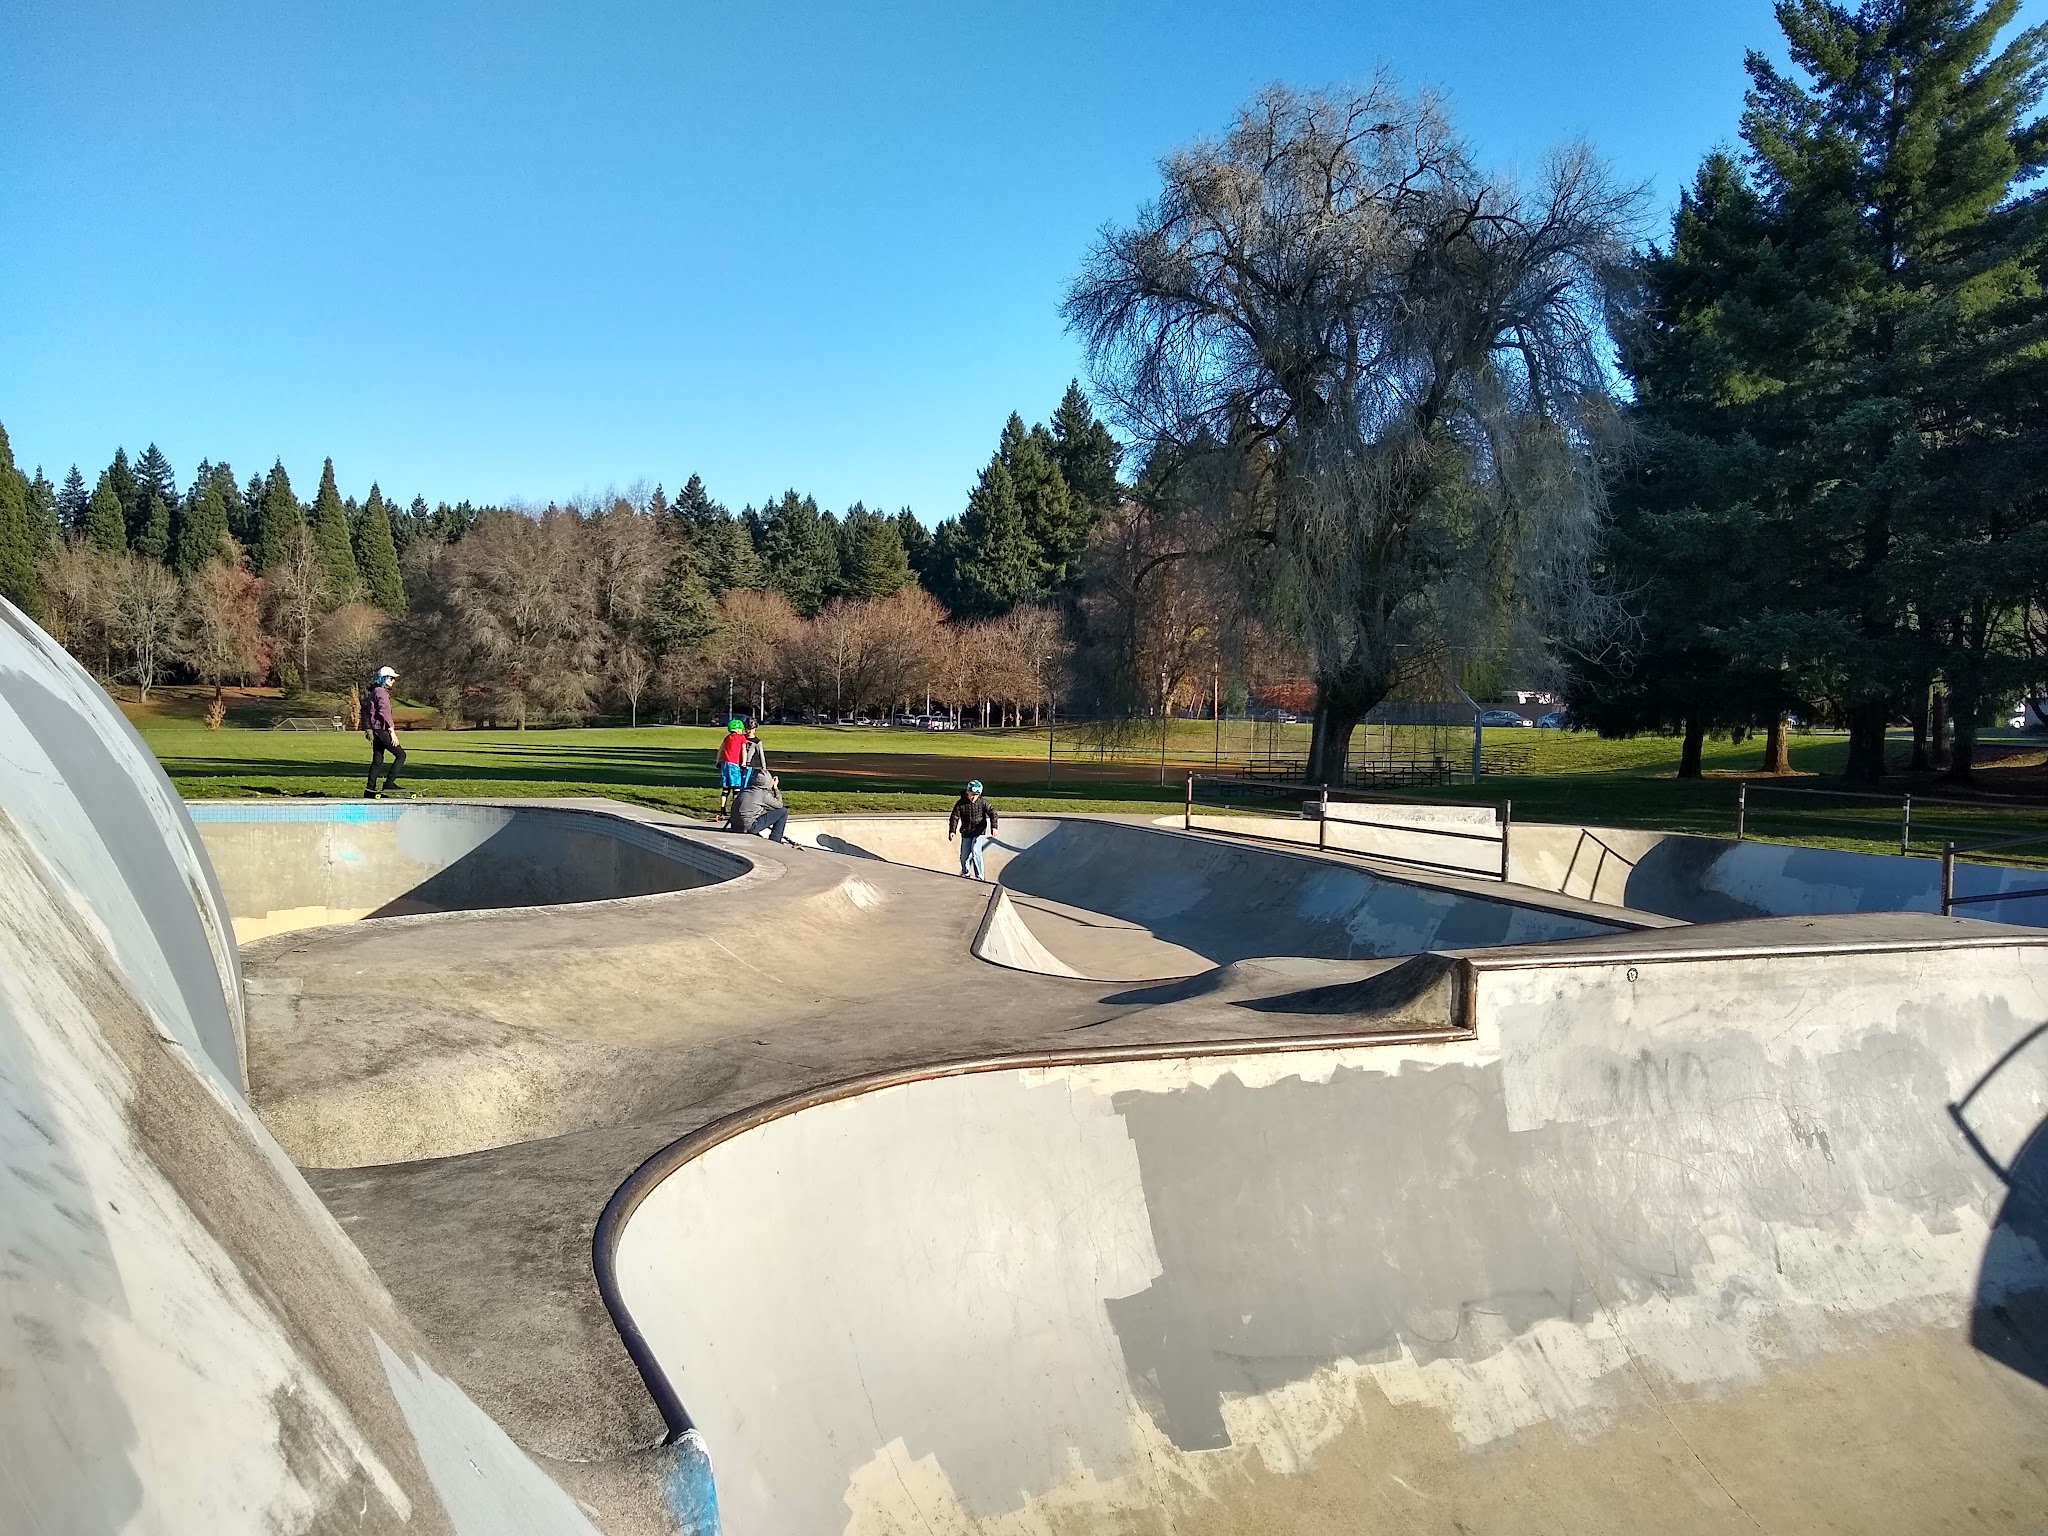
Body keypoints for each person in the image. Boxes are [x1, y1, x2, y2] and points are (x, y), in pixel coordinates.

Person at [363, 665, 407, 798]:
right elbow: (384, 712)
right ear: (385, 678)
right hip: (382, 730)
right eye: (392, 678)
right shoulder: (381, 692)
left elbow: (367, 712)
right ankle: (389, 783)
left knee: (378, 759)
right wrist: (392, 731)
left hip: (375, 730)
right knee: (401, 755)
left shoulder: (373, 691)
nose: (394, 681)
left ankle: (370, 789)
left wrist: (368, 728)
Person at [948, 779, 999, 880]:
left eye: (976, 795)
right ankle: (965, 872)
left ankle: (980, 876)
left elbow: (993, 813)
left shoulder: (983, 803)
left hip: (978, 831)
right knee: (964, 856)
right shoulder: (960, 804)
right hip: (966, 832)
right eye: (972, 794)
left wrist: (994, 827)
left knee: (976, 850)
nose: (973, 797)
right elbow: (954, 817)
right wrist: (952, 831)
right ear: (967, 792)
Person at [727, 767, 791, 844]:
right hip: (749, 827)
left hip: (735, 826)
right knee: (783, 812)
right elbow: (779, 805)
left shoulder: (745, 791)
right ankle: (775, 839)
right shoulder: (763, 795)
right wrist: (775, 788)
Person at [716, 717, 748, 816]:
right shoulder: (741, 738)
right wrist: (744, 762)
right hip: (734, 764)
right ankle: (735, 810)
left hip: (725, 764)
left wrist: (718, 761)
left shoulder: (727, 737)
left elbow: (720, 750)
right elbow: (743, 750)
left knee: (726, 788)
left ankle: (722, 809)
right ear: (739, 729)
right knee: (736, 787)